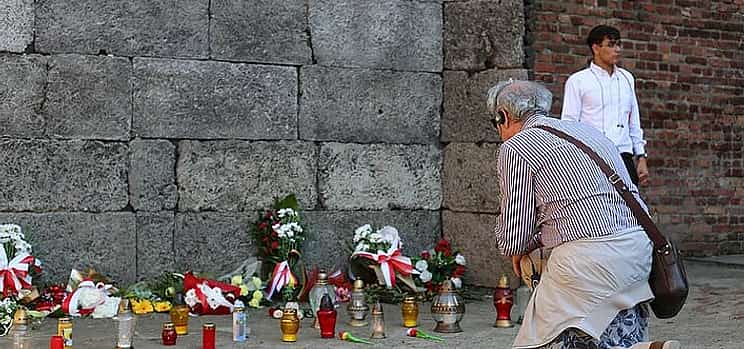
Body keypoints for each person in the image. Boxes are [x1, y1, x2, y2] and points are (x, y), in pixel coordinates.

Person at [487, 79, 679, 349]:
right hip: (638, 250)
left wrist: (519, 248)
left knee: (541, 340)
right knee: (613, 335)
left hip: (588, 262)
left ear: (503, 116)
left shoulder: (516, 147)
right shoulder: (591, 133)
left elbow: (513, 237)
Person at [561, 25, 649, 186]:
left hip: (623, 155)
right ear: (596, 48)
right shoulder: (578, 81)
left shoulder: (626, 78)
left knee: (629, 208)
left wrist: (641, 156)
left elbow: (633, 119)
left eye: (618, 44)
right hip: (592, 156)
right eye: (611, 45)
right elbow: (569, 124)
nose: (617, 49)